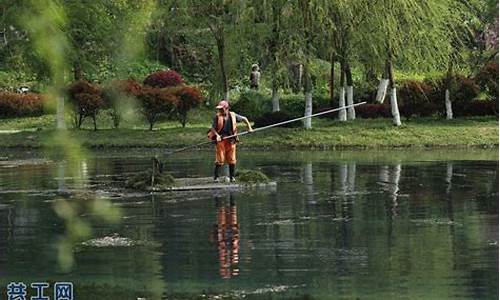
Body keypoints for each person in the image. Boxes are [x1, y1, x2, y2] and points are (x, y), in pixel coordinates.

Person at [209, 100, 253, 182]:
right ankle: (216, 177)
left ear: (227, 108)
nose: (220, 111)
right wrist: (217, 136)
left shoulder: (233, 115)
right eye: (219, 109)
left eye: (222, 109)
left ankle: (232, 177)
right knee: (220, 159)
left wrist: (249, 128)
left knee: (232, 159)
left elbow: (244, 119)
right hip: (221, 140)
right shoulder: (217, 117)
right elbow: (212, 128)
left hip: (231, 140)